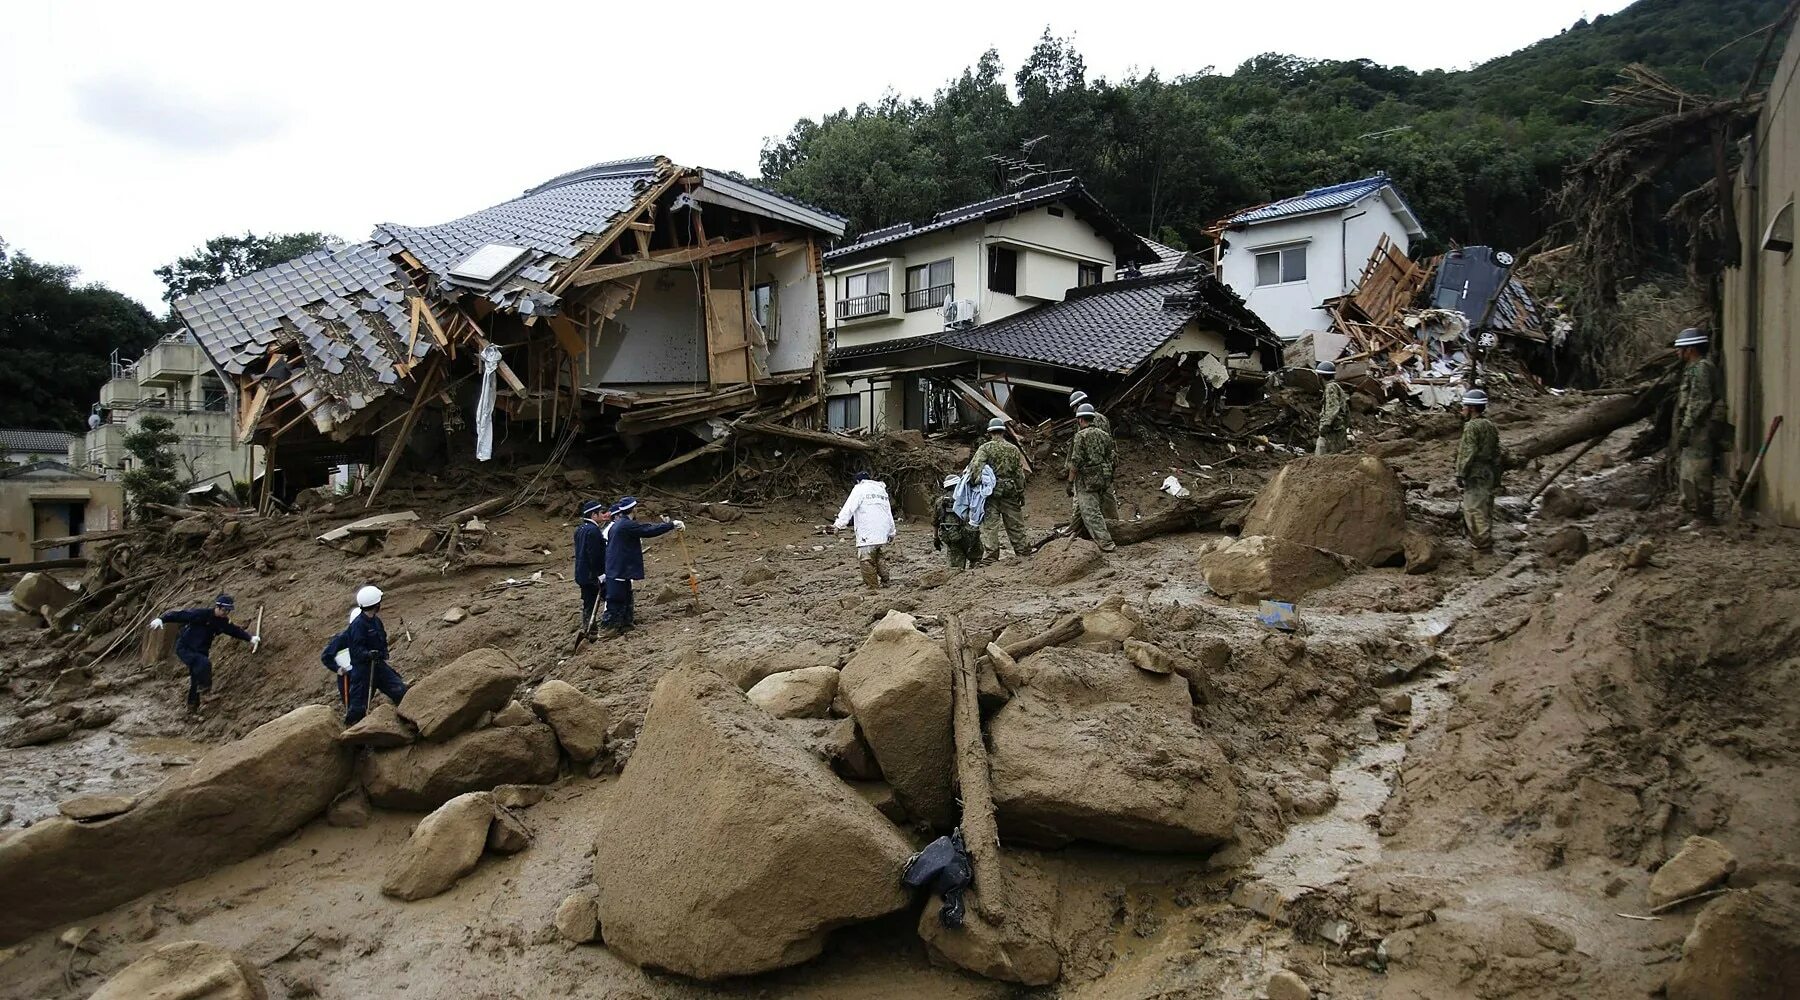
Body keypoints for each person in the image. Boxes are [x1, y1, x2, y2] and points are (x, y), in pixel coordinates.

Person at [149, 594, 258, 711]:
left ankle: (192, 707)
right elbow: (180, 615)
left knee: (196, 677)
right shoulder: (200, 614)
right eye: (224, 610)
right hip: (185, 648)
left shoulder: (223, 622)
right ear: (218, 607)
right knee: (204, 663)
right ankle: (206, 693)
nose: (226, 613)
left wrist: (250, 638)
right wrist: (162, 619)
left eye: (228, 611)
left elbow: (234, 631)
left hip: (201, 650)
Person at [599, 496, 682, 635]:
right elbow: (648, 530)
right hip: (619, 569)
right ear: (633, 509)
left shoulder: (619, 525)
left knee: (625, 595)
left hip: (618, 568)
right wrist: (671, 525)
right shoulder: (626, 525)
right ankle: (610, 628)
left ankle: (625, 624)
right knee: (617, 598)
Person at [334, 585, 408, 726]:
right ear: (375, 604)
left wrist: (381, 653)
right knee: (357, 708)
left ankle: (407, 718)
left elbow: (381, 639)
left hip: (378, 665)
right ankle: (356, 737)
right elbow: (356, 649)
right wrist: (367, 654)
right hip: (362, 671)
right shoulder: (357, 625)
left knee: (399, 690)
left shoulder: (375, 621)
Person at [1670, 327, 1719, 525]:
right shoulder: (1694, 368)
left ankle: (1703, 515)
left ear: (1690, 350)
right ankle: (1691, 511)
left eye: (1680, 349)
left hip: (1701, 429)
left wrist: (1686, 427)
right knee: (1688, 471)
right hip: (1694, 429)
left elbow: (1700, 401)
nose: (1677, 353)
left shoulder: (1701, 369)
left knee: (1699, 472)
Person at [966, 417, 1030, 560]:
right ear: (1003, 432)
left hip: (991, 493)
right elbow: (1019, 474)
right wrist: (1020, 492)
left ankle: (991, 556)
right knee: (1015, 524)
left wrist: (976, 483)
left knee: (990, 526)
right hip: (1010, 491)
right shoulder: (1013, 449)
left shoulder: (985, 448)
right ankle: (1022, 552)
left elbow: (976, 467)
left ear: (990, 433)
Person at [1455, 388, 1503, 552]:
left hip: (1475, 472)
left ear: (1472, 408)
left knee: (1473, 509)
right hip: (1488, 471)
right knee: (1485, 507)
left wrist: (1460, 473)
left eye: (1464, 406)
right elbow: (1497, 452)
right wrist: (1497, 476)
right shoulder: (1490, 425)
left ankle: (1482, 545)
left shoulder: (1471, 427)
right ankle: (1485, 539)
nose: (1462, 409)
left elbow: (1468, 452)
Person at [832, 471, 897, 590]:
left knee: (866, 559)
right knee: (878, 556)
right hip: (882, 531)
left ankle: (872, 587)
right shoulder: (881, 491)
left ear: (858, 481)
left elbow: (849, 508)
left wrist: (838, 525)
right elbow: (889, 513)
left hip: (867, 531)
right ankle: (886, 581)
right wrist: (892, 532)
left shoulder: (859, 489)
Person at [1066, 404, 1117, 552]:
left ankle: (1106, 543)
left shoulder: (1080, 436)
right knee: (1082, 508)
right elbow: (1111, 458)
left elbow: (1075, 463)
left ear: (1080, 419)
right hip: (1103, 477)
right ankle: (1071, 529)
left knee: (1090, 511)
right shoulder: (1105, 435)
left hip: (1086, 479)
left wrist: (1070, 482)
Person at [1069, 390, 1118, 518]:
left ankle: (1079, 525)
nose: (1074, 412)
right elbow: (1109, 443)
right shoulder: (1103, 419)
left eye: (1074, 408)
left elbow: (1080, 448)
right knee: (1107, 496)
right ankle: (1114, 522)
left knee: (1081, 499)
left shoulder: (1082, 422)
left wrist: (1071, 474)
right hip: (1106, 466)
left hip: (1088, 469)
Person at [573, 499, 611, 635]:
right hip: (591, 574)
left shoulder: (580, 530)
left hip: (581, 573)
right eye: (600, 513)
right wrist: (600, 574)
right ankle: (597, 628)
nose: (603, 515)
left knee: (588, 603)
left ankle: (589, 628)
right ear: (593, 515)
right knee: (605, 596)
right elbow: (594, 554)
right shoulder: (593, 531)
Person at [934, 474, 985, 571]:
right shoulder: (969, 497)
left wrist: (935, 538)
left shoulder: (939, 502)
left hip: (952, 537)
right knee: (976, 562)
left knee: (955, 570)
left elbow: (935, 523)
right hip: (971, 536)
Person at [1315, 360, 1350, 455]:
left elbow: (1333, 408)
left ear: (1321, 377)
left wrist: (1324, 426)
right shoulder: (1336, 387)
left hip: (1333, 430)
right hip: (1338, 428)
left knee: (1324, 457)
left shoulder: (1330, 387)